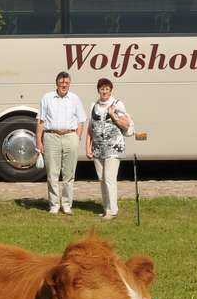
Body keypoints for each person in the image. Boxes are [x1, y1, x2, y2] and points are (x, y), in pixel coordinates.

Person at [36, 71, 84, 215]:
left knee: (69, 173)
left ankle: (67, 204)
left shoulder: (75, 99)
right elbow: (40, 121)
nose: (64, 85)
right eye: (62, 83)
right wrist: (38, 140)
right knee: (52, 173)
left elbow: (81, 120)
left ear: (70, 84)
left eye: (67, 83)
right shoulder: (47, 98)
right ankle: (54, 205)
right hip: (51, 137)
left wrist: (77, 137)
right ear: (57, 83)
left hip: (70, 136)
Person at [85, 78, 132, 219]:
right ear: (98, 90)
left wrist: (113, 116)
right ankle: (106, 208)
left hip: (113, 147)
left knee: (109, 179)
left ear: (111, 90)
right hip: (98, 148)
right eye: (102, 88)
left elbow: (126, 125)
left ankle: (112, 210)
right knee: (101, 179)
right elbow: (90, 128)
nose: (104, 91)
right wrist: (88, 147)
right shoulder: (94, 105)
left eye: (107, 88)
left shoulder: (117, 104)